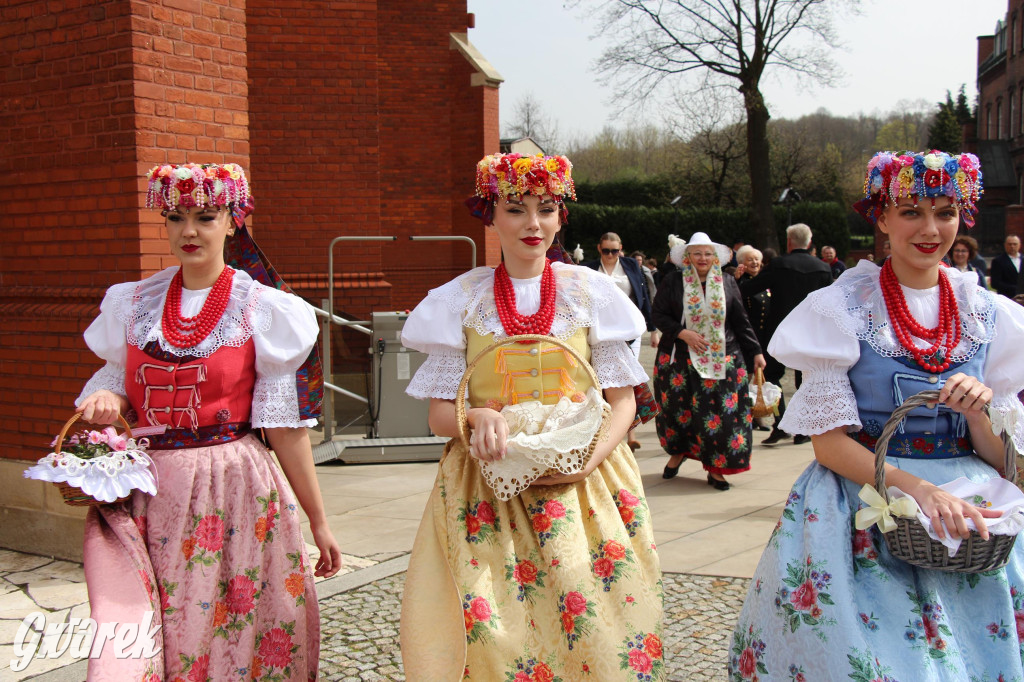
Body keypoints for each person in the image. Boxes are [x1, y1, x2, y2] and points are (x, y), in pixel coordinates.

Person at [729, 150, 1024, 680]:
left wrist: (978, 415)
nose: (931, 229)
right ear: (882, 217)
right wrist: (920, 490)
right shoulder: (842, 307)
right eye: (911, 211)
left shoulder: (987, 312)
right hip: (862, 499)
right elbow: (829, 444)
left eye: (945, 211)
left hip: (968, 510)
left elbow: (1004, 461)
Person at [399, 153, 664, 680]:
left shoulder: (589, 293)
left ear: (561, 217)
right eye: (515, 209)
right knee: (495, 625)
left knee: (593, 619)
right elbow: (437, 416)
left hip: (583, 484)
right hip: (487, 484)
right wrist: (473, 417)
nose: (532, 224)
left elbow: (624, 401)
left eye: (545, 209)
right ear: (490, 215)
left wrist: (589, 462)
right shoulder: (461, 301)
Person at [75, 163, 341, 680]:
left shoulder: (261, 309)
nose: (189, 231)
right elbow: (114, 386)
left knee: (234, 628)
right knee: (161, 629)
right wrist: (107, 397)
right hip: (151, 495)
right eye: (175, 218)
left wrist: (319, 519)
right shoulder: (134, 303)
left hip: (236, 491)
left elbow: (284, 428)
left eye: (205, 216)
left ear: (232, 221)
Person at [654, 233, 766, 490]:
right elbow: (658, 313)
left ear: (714, 257)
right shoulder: (673, 280)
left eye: (707, 253)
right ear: (688, 257)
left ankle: (716, 469)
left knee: (720, 416)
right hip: (680, 361)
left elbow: (740, 320)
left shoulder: (727, 282)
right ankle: (679, 452)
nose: (702, 258)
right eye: (697, 253)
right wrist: (683, 333)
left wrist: (756, 351)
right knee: (679, 413)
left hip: (724, 357)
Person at [737, 223, 833, 446]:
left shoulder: (780, 264)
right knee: (805, 380)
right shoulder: (823, 268)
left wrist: (740, 280)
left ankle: (781, 423)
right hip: (810, 332)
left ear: (789, 242)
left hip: (780, 331)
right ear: (809, 243)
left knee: (772, 377)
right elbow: (829, 304)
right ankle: (804, 428)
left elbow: (750, 289)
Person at [585, 233, 656, 450]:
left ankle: (630, 432)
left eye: (614, 251)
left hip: (628, 334)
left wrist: (652, 329)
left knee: (626, 382)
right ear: (599, 248)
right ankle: (614, 430)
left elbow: (642, 295)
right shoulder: (589, 269)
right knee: (605, 384)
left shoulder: (630, 266)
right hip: (600, 335)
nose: (609, 255)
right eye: (606, 250)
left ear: (621, 249)